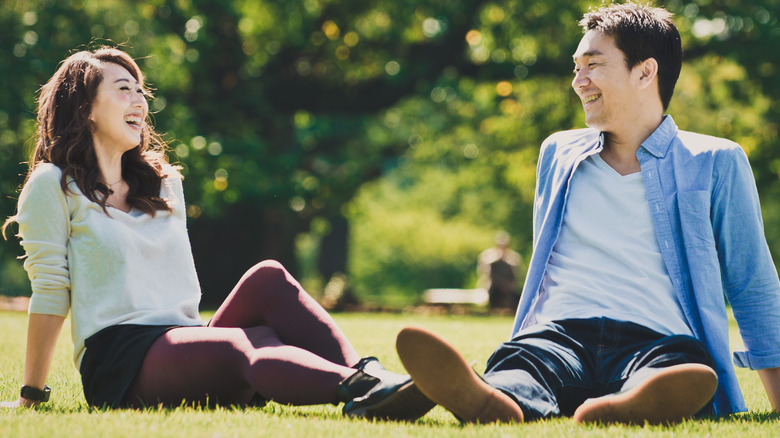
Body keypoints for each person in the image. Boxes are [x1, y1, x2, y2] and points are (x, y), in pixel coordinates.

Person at [393, 2, 780, 425]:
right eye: (576, 67)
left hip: (657, 339)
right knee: (526, 364)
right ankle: (499, 397)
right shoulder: (558, 153)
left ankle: (635, 402)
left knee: (673, 368)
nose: (579, 81)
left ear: (645, 72)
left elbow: (752, 284)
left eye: (593, 65)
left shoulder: (714, 160)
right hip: (560, 333)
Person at [0, 47, 435, 420]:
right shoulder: (53, 184)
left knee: (268, 277)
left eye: (140, 90)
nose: (139, 101)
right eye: (122, 89)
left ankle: (374, 376)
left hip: (183, 339)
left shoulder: (163, 182)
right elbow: (52, 290)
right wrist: (31, 395)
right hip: (123, 360)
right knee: (240, 345)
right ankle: (359, 389)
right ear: (85, 108)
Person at [477, 231, 523, 311]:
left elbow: (517, 274)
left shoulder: (513, 257)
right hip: (493, 286)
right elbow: (484, 272)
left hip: (509, 287)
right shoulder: (488, 255)